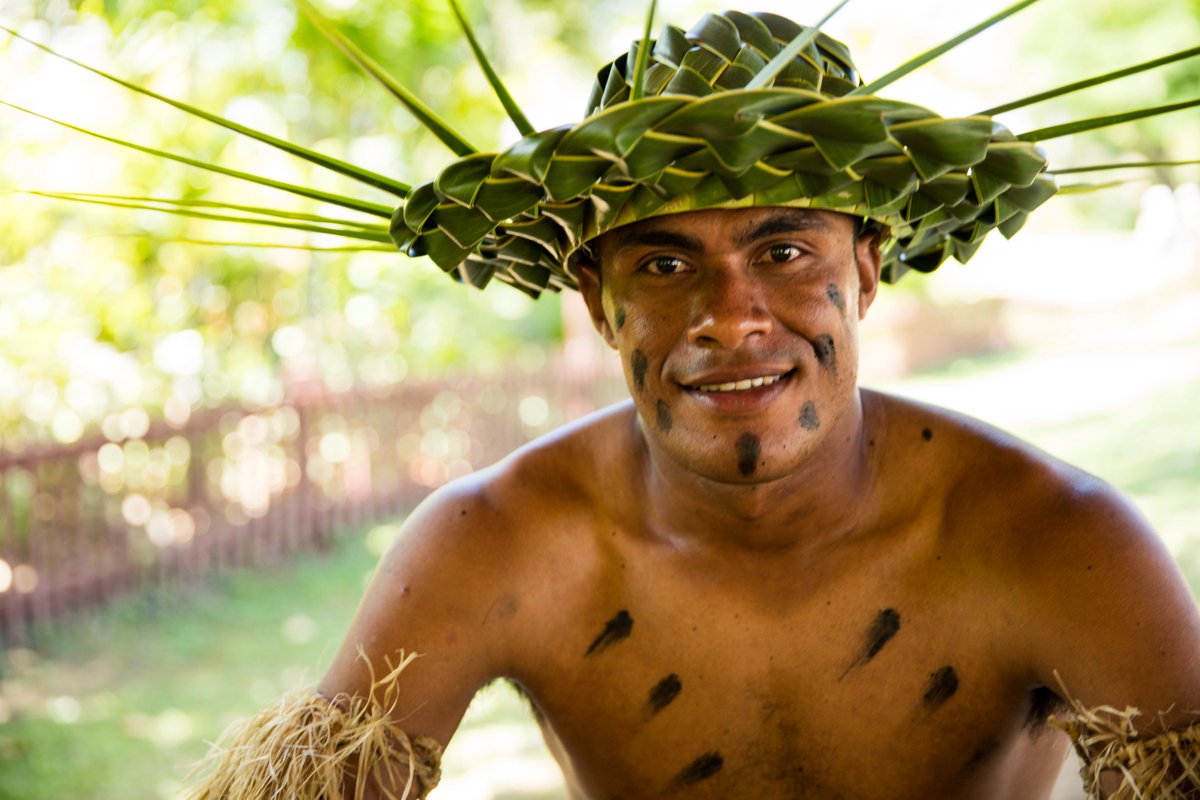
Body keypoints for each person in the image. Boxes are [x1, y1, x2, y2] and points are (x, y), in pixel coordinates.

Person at [188, 8, 1200, 800]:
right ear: (598, 301)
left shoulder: (1063, 545)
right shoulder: (495, 544)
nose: (728, 316)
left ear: (868, 266)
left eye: (784, 250)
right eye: (665, 261)